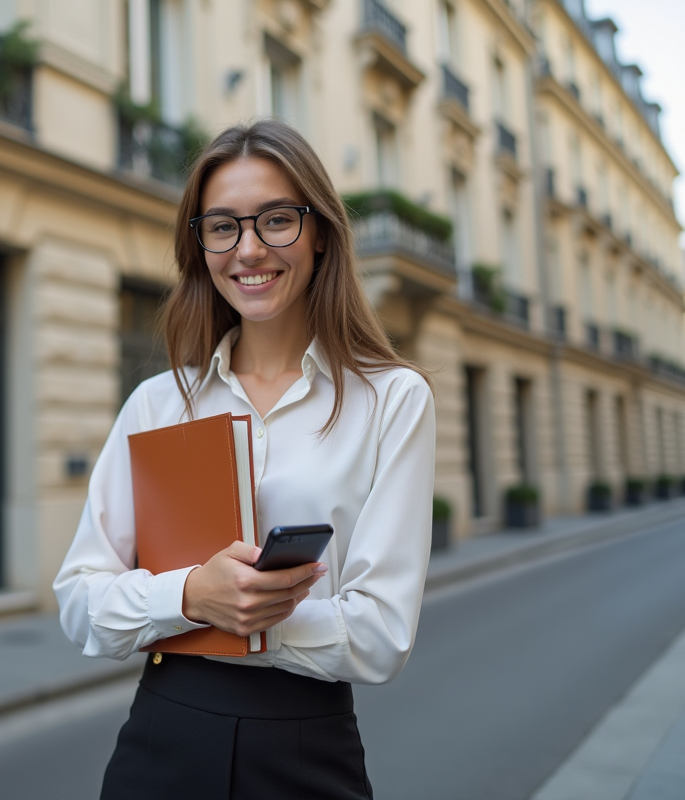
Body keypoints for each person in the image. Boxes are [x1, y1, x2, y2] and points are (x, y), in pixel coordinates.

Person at [54, 119, 436, 800]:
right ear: (200, 245)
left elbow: (381, 636)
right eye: (223, 227)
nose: (249, 249)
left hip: (305, 748)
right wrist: (189, 595)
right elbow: (81, 602)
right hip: (162, 735)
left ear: (320, 233)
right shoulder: (157, 403)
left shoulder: (392, 399)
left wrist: (244, 617)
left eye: (277, 220)